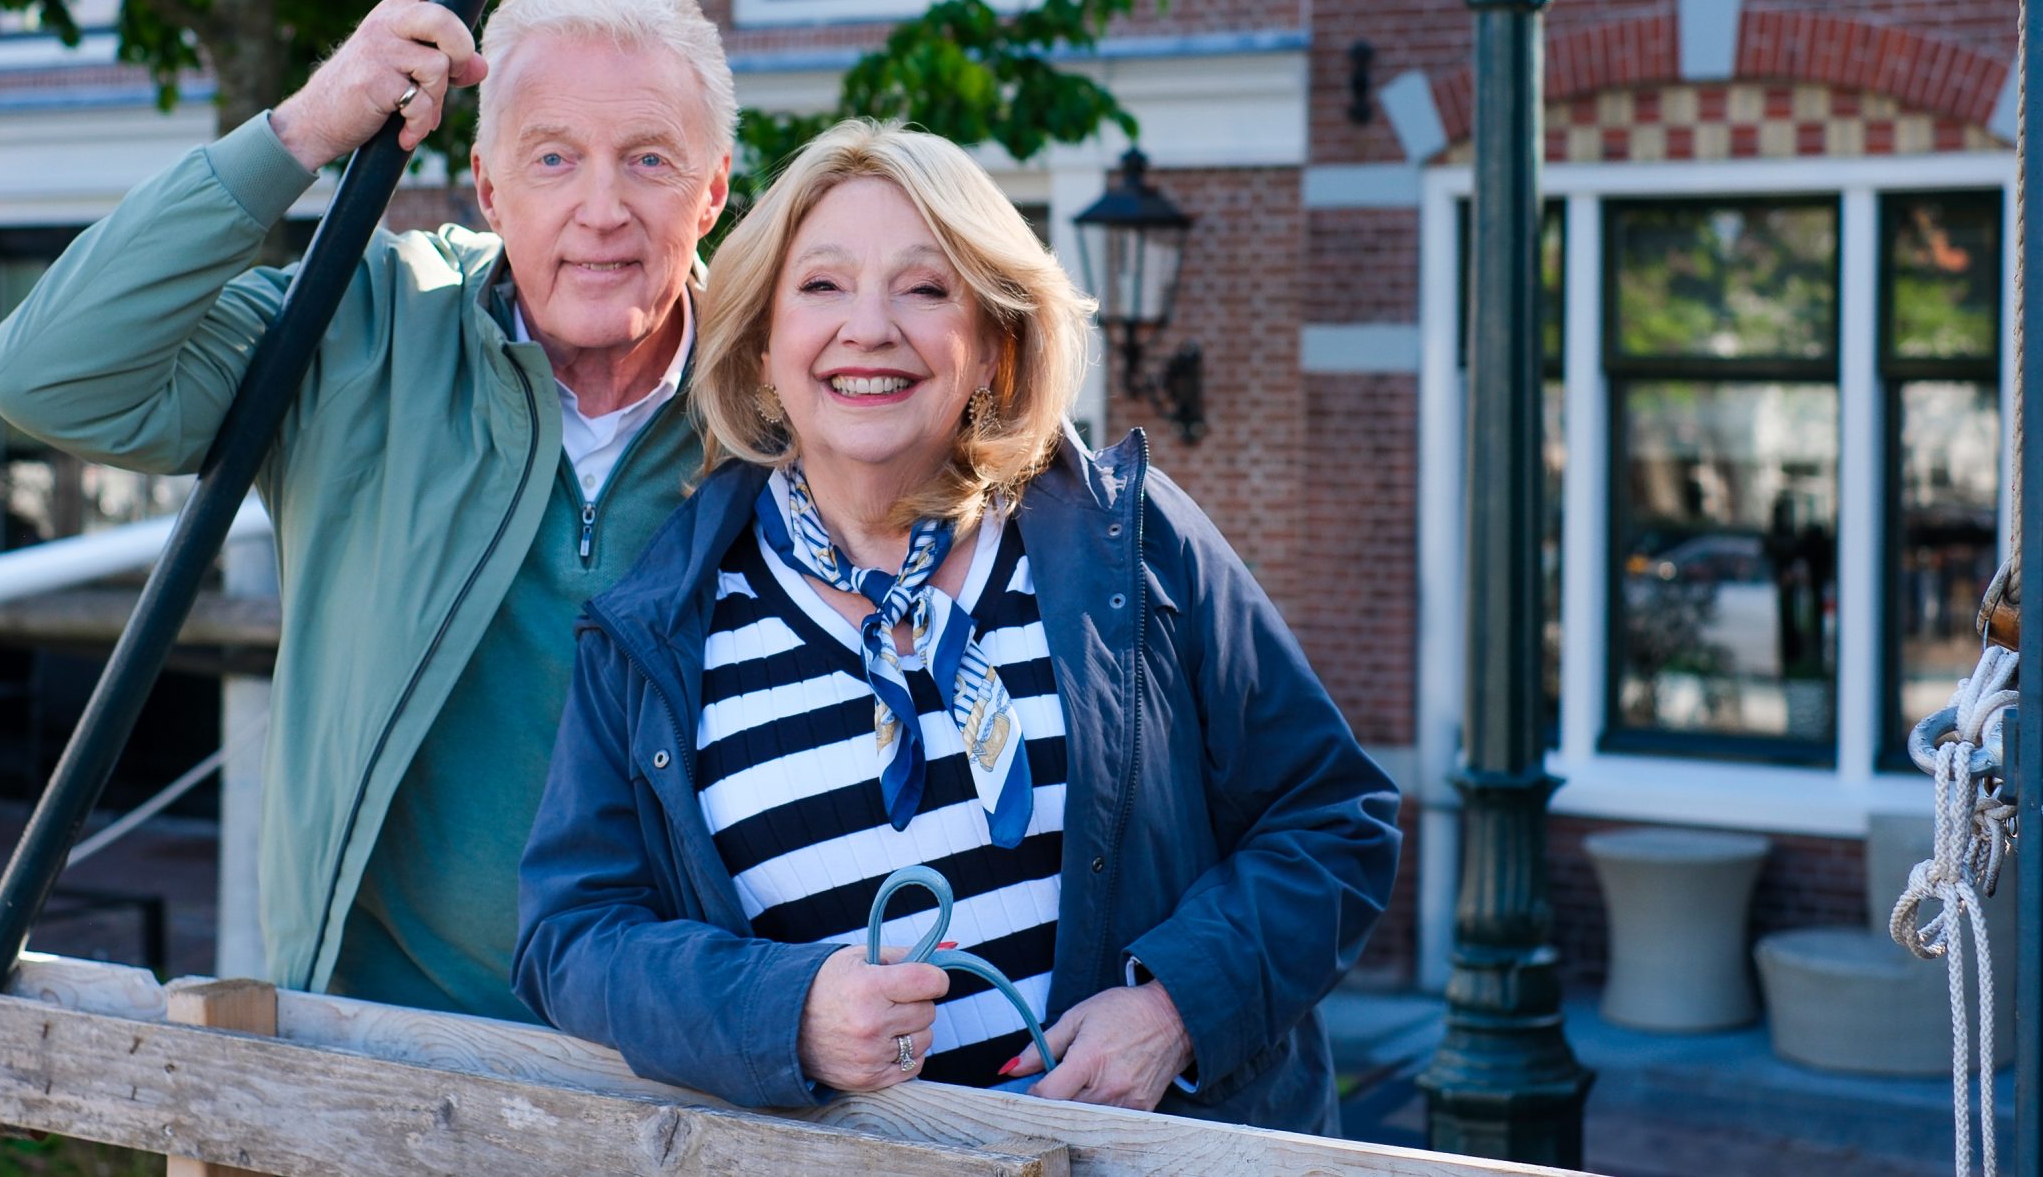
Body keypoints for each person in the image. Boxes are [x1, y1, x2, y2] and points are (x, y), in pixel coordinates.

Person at [514, 120, 1400, 1132]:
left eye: (926, 289)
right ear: (763, 345)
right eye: (822, 286)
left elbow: (1334, 819)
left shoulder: (1130, 544)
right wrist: (783, 1013)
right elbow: (571, 937)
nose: (870, 326)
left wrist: (1176, 1010)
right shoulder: (657, 628)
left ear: (992, 347)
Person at [0, 0, 737, 1017]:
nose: (601, 209)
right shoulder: (362, 327)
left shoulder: (782, 391)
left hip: (686, 1051)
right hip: (385, 1041)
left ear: (711, 192)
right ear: (489, 186)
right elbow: (49, 370)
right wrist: (310, 123)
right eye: (554, 158)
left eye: (649, 160)